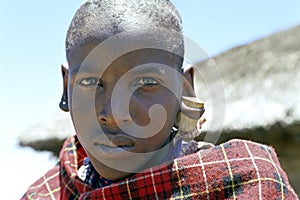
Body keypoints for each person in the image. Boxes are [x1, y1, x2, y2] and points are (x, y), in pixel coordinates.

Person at [21, 0, 298, 199]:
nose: (115, 114)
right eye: (91, 83)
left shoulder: (250, 183)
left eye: (146, 83)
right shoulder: (45, 194)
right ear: (66, 88)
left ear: (185, 89)